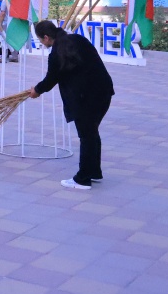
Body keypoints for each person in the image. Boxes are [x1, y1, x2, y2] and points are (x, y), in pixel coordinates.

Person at [30, 20, 115, 191]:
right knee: (91, 133)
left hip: (85, 98)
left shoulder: (56, 54)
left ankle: (83, 179)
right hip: (104, 92)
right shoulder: (78, 40)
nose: (41, 43)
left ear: (46, 37)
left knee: (87, 136)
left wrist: (37, 90)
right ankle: (94, 172)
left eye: (40, 40)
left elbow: (51, 79)